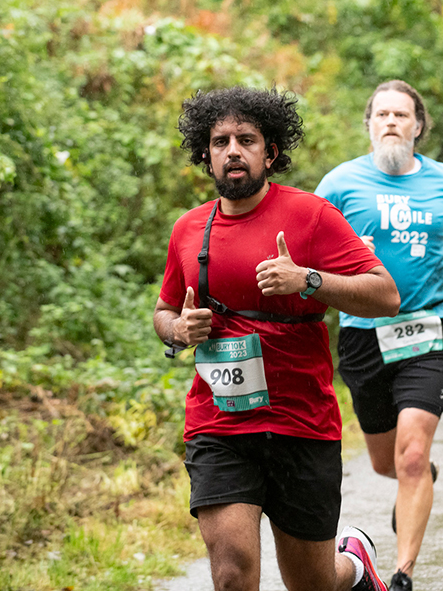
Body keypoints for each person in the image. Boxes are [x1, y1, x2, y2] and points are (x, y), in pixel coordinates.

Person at [153, 86, 401, 591]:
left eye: (246, 139)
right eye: (220, 141)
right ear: (206, 154)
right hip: (219, 423)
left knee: (311, 582)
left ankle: (353, 567)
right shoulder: (188, 229)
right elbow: (163, 312)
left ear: (270, 152)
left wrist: (307, 280)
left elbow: (385, 296)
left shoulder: (311, 216)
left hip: (300, 422)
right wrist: (179, 330)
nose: (233, 151)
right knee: (231, 571)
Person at [314, 80, 443, 591]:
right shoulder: (340, 183)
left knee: (411, 455)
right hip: (363, 336)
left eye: (400, 115)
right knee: (388, 461)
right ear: (368, 125)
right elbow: (302, 245)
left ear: (418, 126)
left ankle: (402, 573)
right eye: (381, 114)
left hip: (429, 329)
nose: (390, 122)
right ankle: (417, 481)